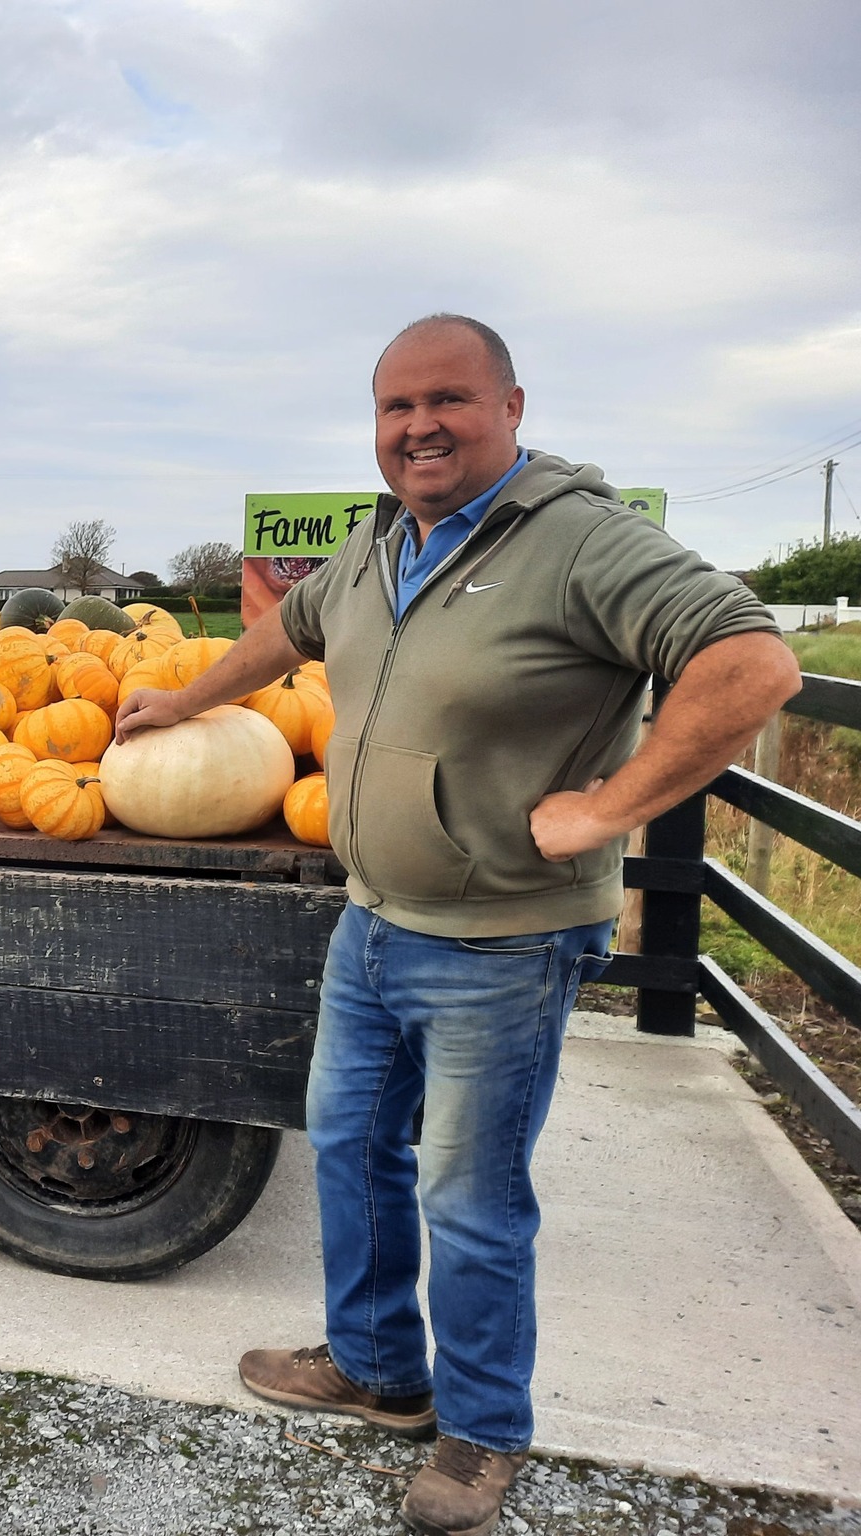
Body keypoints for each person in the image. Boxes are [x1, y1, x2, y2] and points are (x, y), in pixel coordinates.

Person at [115, 314, 799, 1536]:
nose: (418, 426)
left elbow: (750, 664)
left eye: (446, 401)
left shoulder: (581, 540)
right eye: (393, 408)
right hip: (372, 919)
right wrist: (184, 694)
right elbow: (293, 627)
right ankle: (376, 1372)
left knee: (467, 1194)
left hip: (502, 939)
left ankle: (482, 1431)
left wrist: (607, 811)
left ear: (511, 407)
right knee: (348, 1150)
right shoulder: (385, 540)